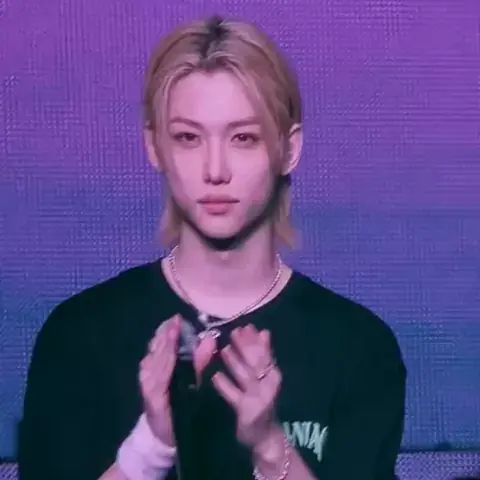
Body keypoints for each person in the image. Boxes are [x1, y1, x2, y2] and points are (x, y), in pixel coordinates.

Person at [18, 14, 406, 480]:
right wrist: (151, 446)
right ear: (154, 146)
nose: (215, 169)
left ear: (289, 149)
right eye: (188, 138)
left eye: (243, 138)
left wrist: (270, 447)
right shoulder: (80, 337)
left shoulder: (357, 348)